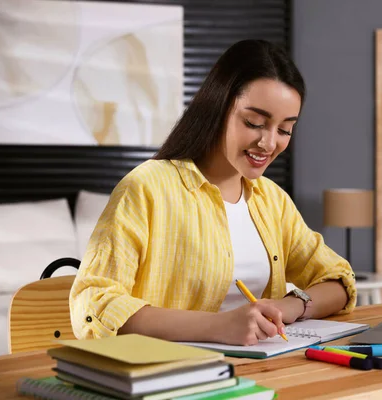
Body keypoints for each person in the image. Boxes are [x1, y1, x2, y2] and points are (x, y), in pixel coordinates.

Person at [69, 39, 357, 346]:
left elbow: (339, 280)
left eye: (284, 129)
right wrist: (218, 326)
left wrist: (289, 305)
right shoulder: (147, 188)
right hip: (170, 378)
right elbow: (94, 304)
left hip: (263, 372)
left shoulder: (271, 200)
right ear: (218, 108)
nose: (269, 143)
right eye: (254, 122)